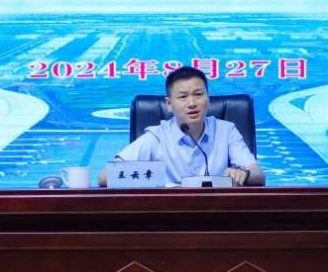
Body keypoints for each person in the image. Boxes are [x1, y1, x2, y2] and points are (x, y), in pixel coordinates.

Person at [99, 66, 265, 187]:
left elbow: (258, 175)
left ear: (208, 98)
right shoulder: (158, 137)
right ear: (169, 104)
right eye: (183, 97)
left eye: (198, 94)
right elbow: (105, 177)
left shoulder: (226, 131)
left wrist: (244, 174)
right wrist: (164, 184)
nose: (192, 103)